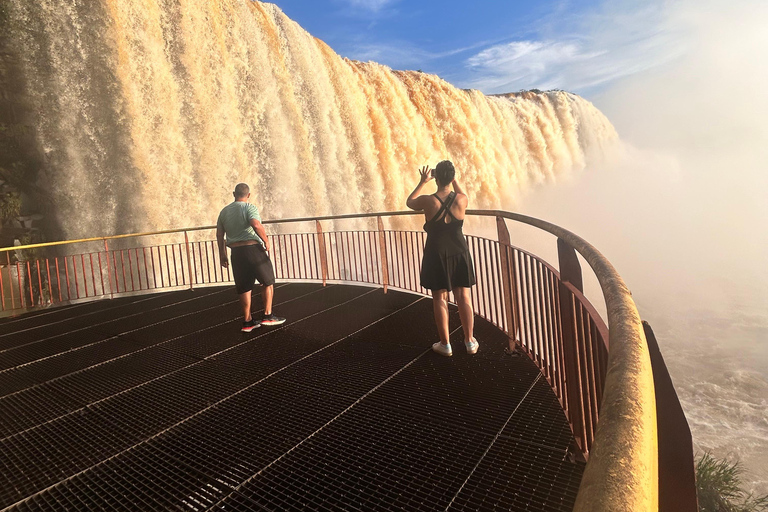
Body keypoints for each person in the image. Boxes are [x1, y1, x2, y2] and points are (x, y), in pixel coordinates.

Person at [406, 160, 478, 356]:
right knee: (463, 295)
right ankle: (470, 341)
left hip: (436, 251)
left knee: (439, 297)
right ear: (452, 177)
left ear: (436, 177)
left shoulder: (429, 201)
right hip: (459, 250)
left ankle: (445, 345)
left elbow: (409, 202)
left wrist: (422, 182)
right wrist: (454, 180)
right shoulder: (461, 200)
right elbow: (463, 193)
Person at [217, 183, 285, 332]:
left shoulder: (224, 212)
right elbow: (256, 225)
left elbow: (220, 235)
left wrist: (222, 255)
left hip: (236, 253)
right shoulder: (249, 207)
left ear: (234, 194)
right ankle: (268, 315)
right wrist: (266, 241)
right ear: (248, 195)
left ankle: (247, 321)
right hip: (252, 249)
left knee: (244, 287)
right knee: (268, 281)